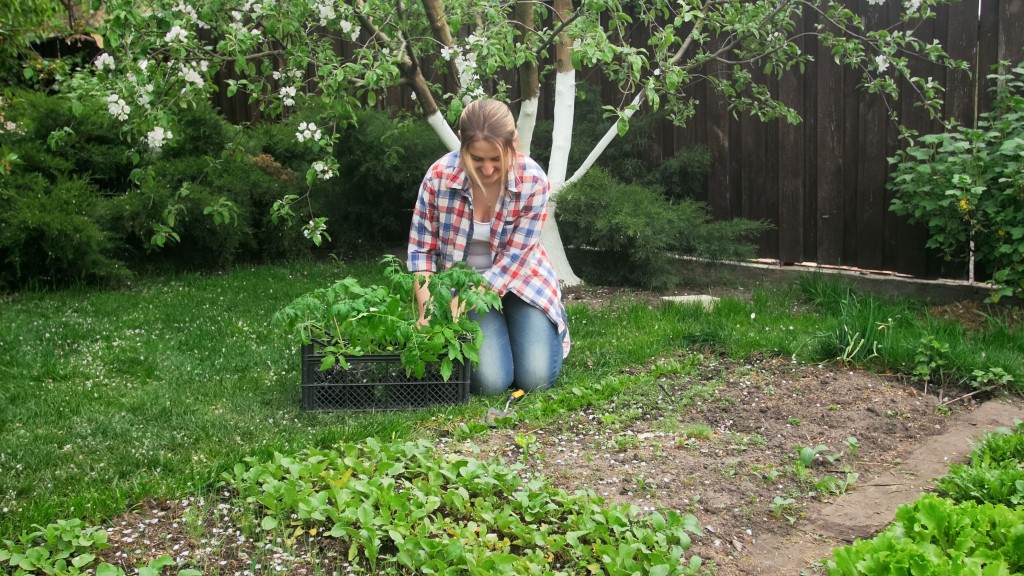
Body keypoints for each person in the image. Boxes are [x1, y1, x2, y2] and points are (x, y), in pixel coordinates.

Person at [407, 98, 570, 396]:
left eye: (496, 158)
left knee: (535, 379)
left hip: (521, 283)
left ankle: (543, 323)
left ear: (513, 143)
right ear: (461, 141)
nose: (487, 169)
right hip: (461, 286)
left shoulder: (533, 181)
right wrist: (426, 311)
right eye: (477, 158)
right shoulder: (438, 178)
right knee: (492, 383)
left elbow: (514, 261)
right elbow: (421, 252)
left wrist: (464, 302)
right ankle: (501, 329)